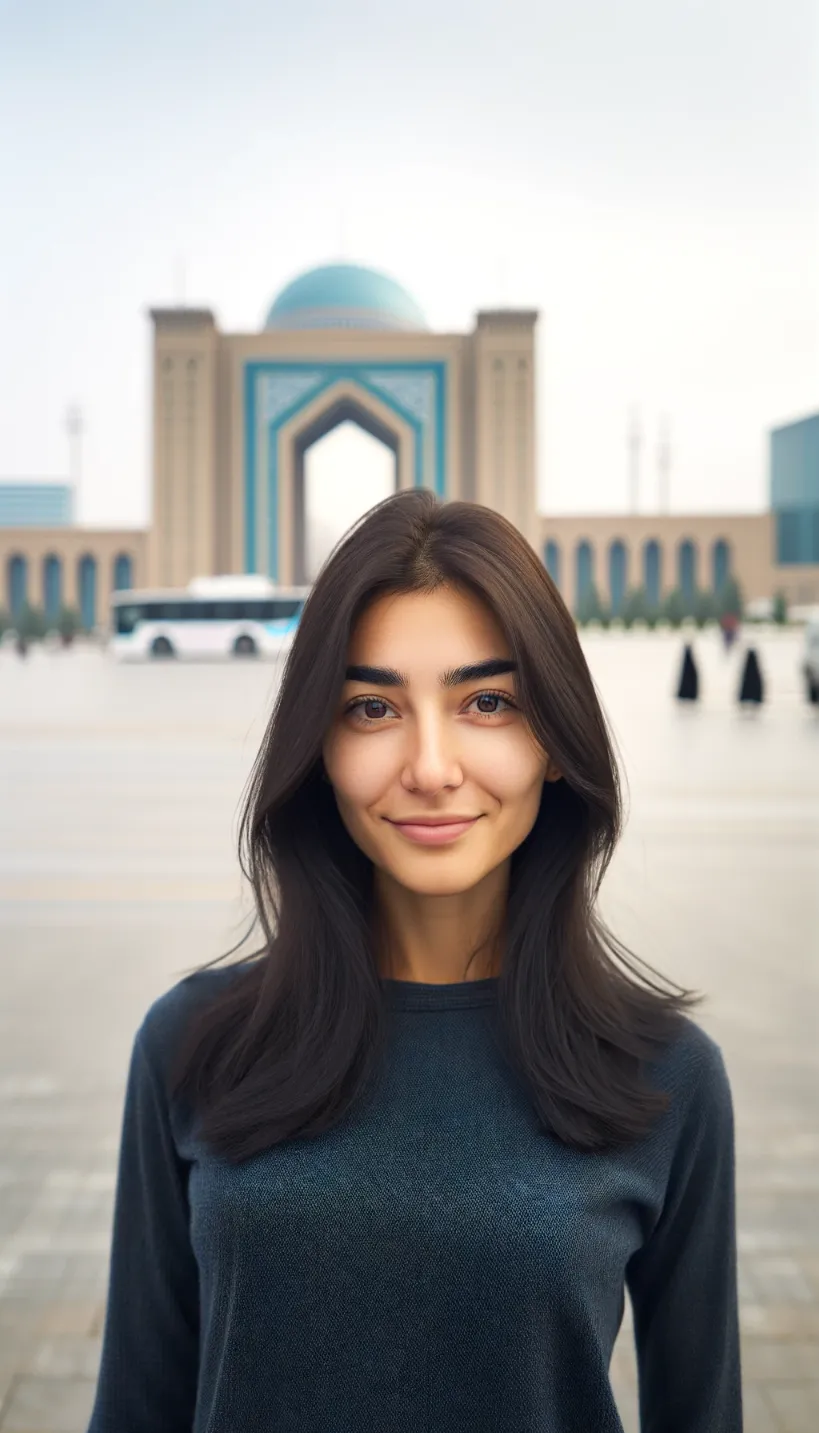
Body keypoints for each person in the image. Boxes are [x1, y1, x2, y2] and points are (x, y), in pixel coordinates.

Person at [86, 491, 742, 1433]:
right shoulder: (194, 1047)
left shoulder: (660, 1077)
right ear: (318, 745)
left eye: (486, 701)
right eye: (371, 706)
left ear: (552, 740)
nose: (430, 765)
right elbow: (136, 1406)